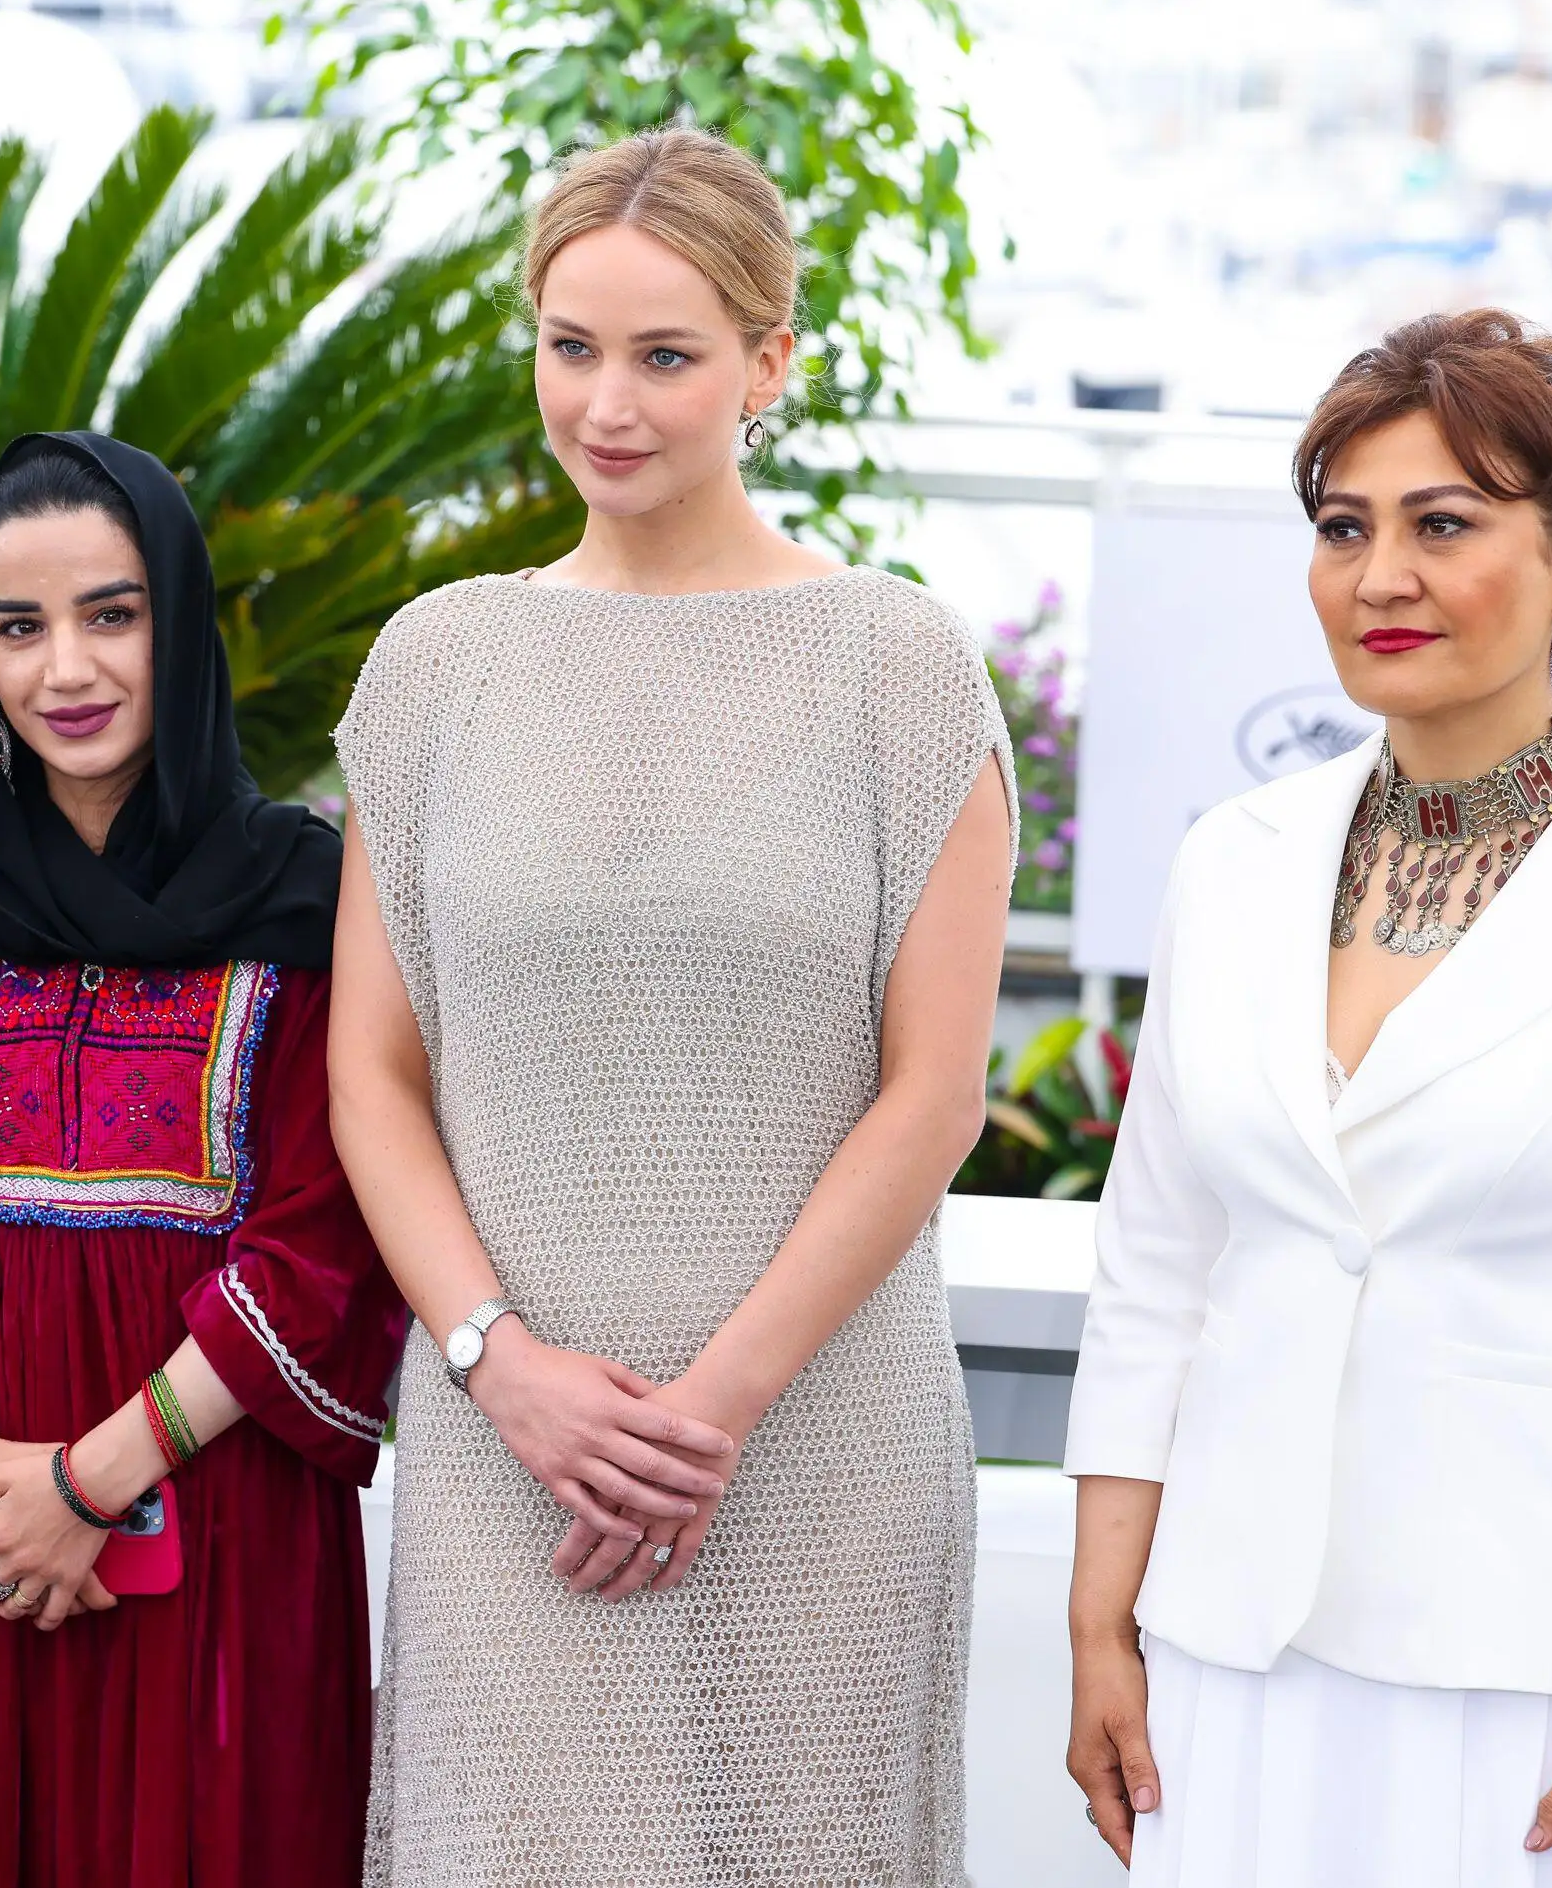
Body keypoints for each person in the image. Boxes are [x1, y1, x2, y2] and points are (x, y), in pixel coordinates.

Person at [1063, 310, 1552, 1888]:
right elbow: (1156, 1273)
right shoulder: (1237, 863)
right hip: (1234, 1657)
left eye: (1444, 525)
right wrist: (1100, 1621)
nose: (1381, 577)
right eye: (1345, 529)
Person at [331, 126, 1019, 1886]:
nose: (608, 404)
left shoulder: (900, 668)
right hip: (509, 1458)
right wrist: (504, 1370)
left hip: (821, 1446)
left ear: (770, 363)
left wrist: (708, 1409)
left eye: (665, 354)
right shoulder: (434, 669)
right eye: (572, 347)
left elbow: (933, 1096)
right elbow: (375, 1080)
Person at [0, 431, 404, 1888]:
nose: (67, 668)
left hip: (221, 1538)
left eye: (111, 614)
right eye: (19, 626)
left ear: (178, 623)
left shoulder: (312, 903)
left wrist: (94, 1483)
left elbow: (322, 1242)